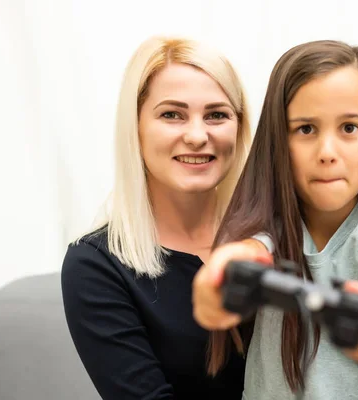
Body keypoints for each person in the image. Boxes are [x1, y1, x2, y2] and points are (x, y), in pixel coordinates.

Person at [192, 40, 358, 400]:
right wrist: (220, 275)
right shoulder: (268, 227)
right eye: (306, 129)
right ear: (278, 140)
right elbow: (245, 252)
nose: (327, 153)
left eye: (349, 128)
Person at [60, 35, 257, 399]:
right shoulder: (96, 264)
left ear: (239, 127)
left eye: (217, 114)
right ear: (135, 127)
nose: (198, 136)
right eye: (172, 115)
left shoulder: (273, 239)